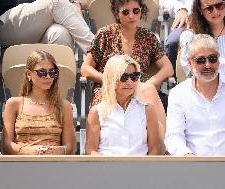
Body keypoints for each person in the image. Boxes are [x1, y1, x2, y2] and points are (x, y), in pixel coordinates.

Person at [81, 0, 174, 131]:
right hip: (108, 89)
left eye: (136, 11)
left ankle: (161, 145)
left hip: (136, 88)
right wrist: (110, 80)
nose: (131, 16)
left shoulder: (148, 37)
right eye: (125, 12)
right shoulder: (105, 34)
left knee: (150, 90)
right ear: (116, 13)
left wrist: (150, 83)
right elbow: (85, 68)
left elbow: (168, 68)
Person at [85, 54, 162, 155]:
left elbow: (155, 150)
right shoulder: (96, 112)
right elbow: (91, 151)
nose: (129, 82)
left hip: (140, 168)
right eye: (123, 77)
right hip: (107, 168)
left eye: (134, 76)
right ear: (111, 78)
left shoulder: (148, 110)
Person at [2, 50, 76, 155]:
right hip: (22, 164)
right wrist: (28, 151)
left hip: (53, 164)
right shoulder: (14, 104)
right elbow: (7, 144)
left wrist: (53, 151)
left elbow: (69, 147)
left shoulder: (64, 106)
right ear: (29, 74)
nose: (48, 77)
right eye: (42, 72)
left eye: (52, 72)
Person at [0, 0, 94, 54]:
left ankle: (60, 89)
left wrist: (76, 3)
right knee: (56, 2)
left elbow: (86, 1)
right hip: (9, 24)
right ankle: (100, 53)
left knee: (60, 34)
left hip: (46, 25)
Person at [163, 0, 192, 77]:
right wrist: (180, 9)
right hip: (183, 21)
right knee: (172, 43)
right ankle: (173, 78)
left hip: (208, 16)